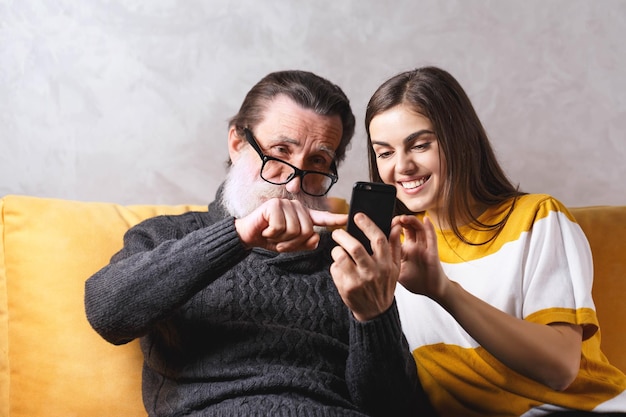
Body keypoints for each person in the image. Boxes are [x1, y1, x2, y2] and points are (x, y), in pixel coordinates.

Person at [84, 70, 431, 417]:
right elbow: (108, 313)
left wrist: (373, 314)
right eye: (281, 151)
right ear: (237, 143)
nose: (294, 184)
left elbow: (397, 409)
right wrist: (240, 235)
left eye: (317, 162)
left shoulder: (350, 263)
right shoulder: (168, 236)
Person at [330, 66, 626, 416]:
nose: (403, 167)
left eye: (420, 145)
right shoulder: (389, 253)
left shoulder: (537, 218)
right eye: (385, 153)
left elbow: (559, 368)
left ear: (460, 139)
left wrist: (443, 290)